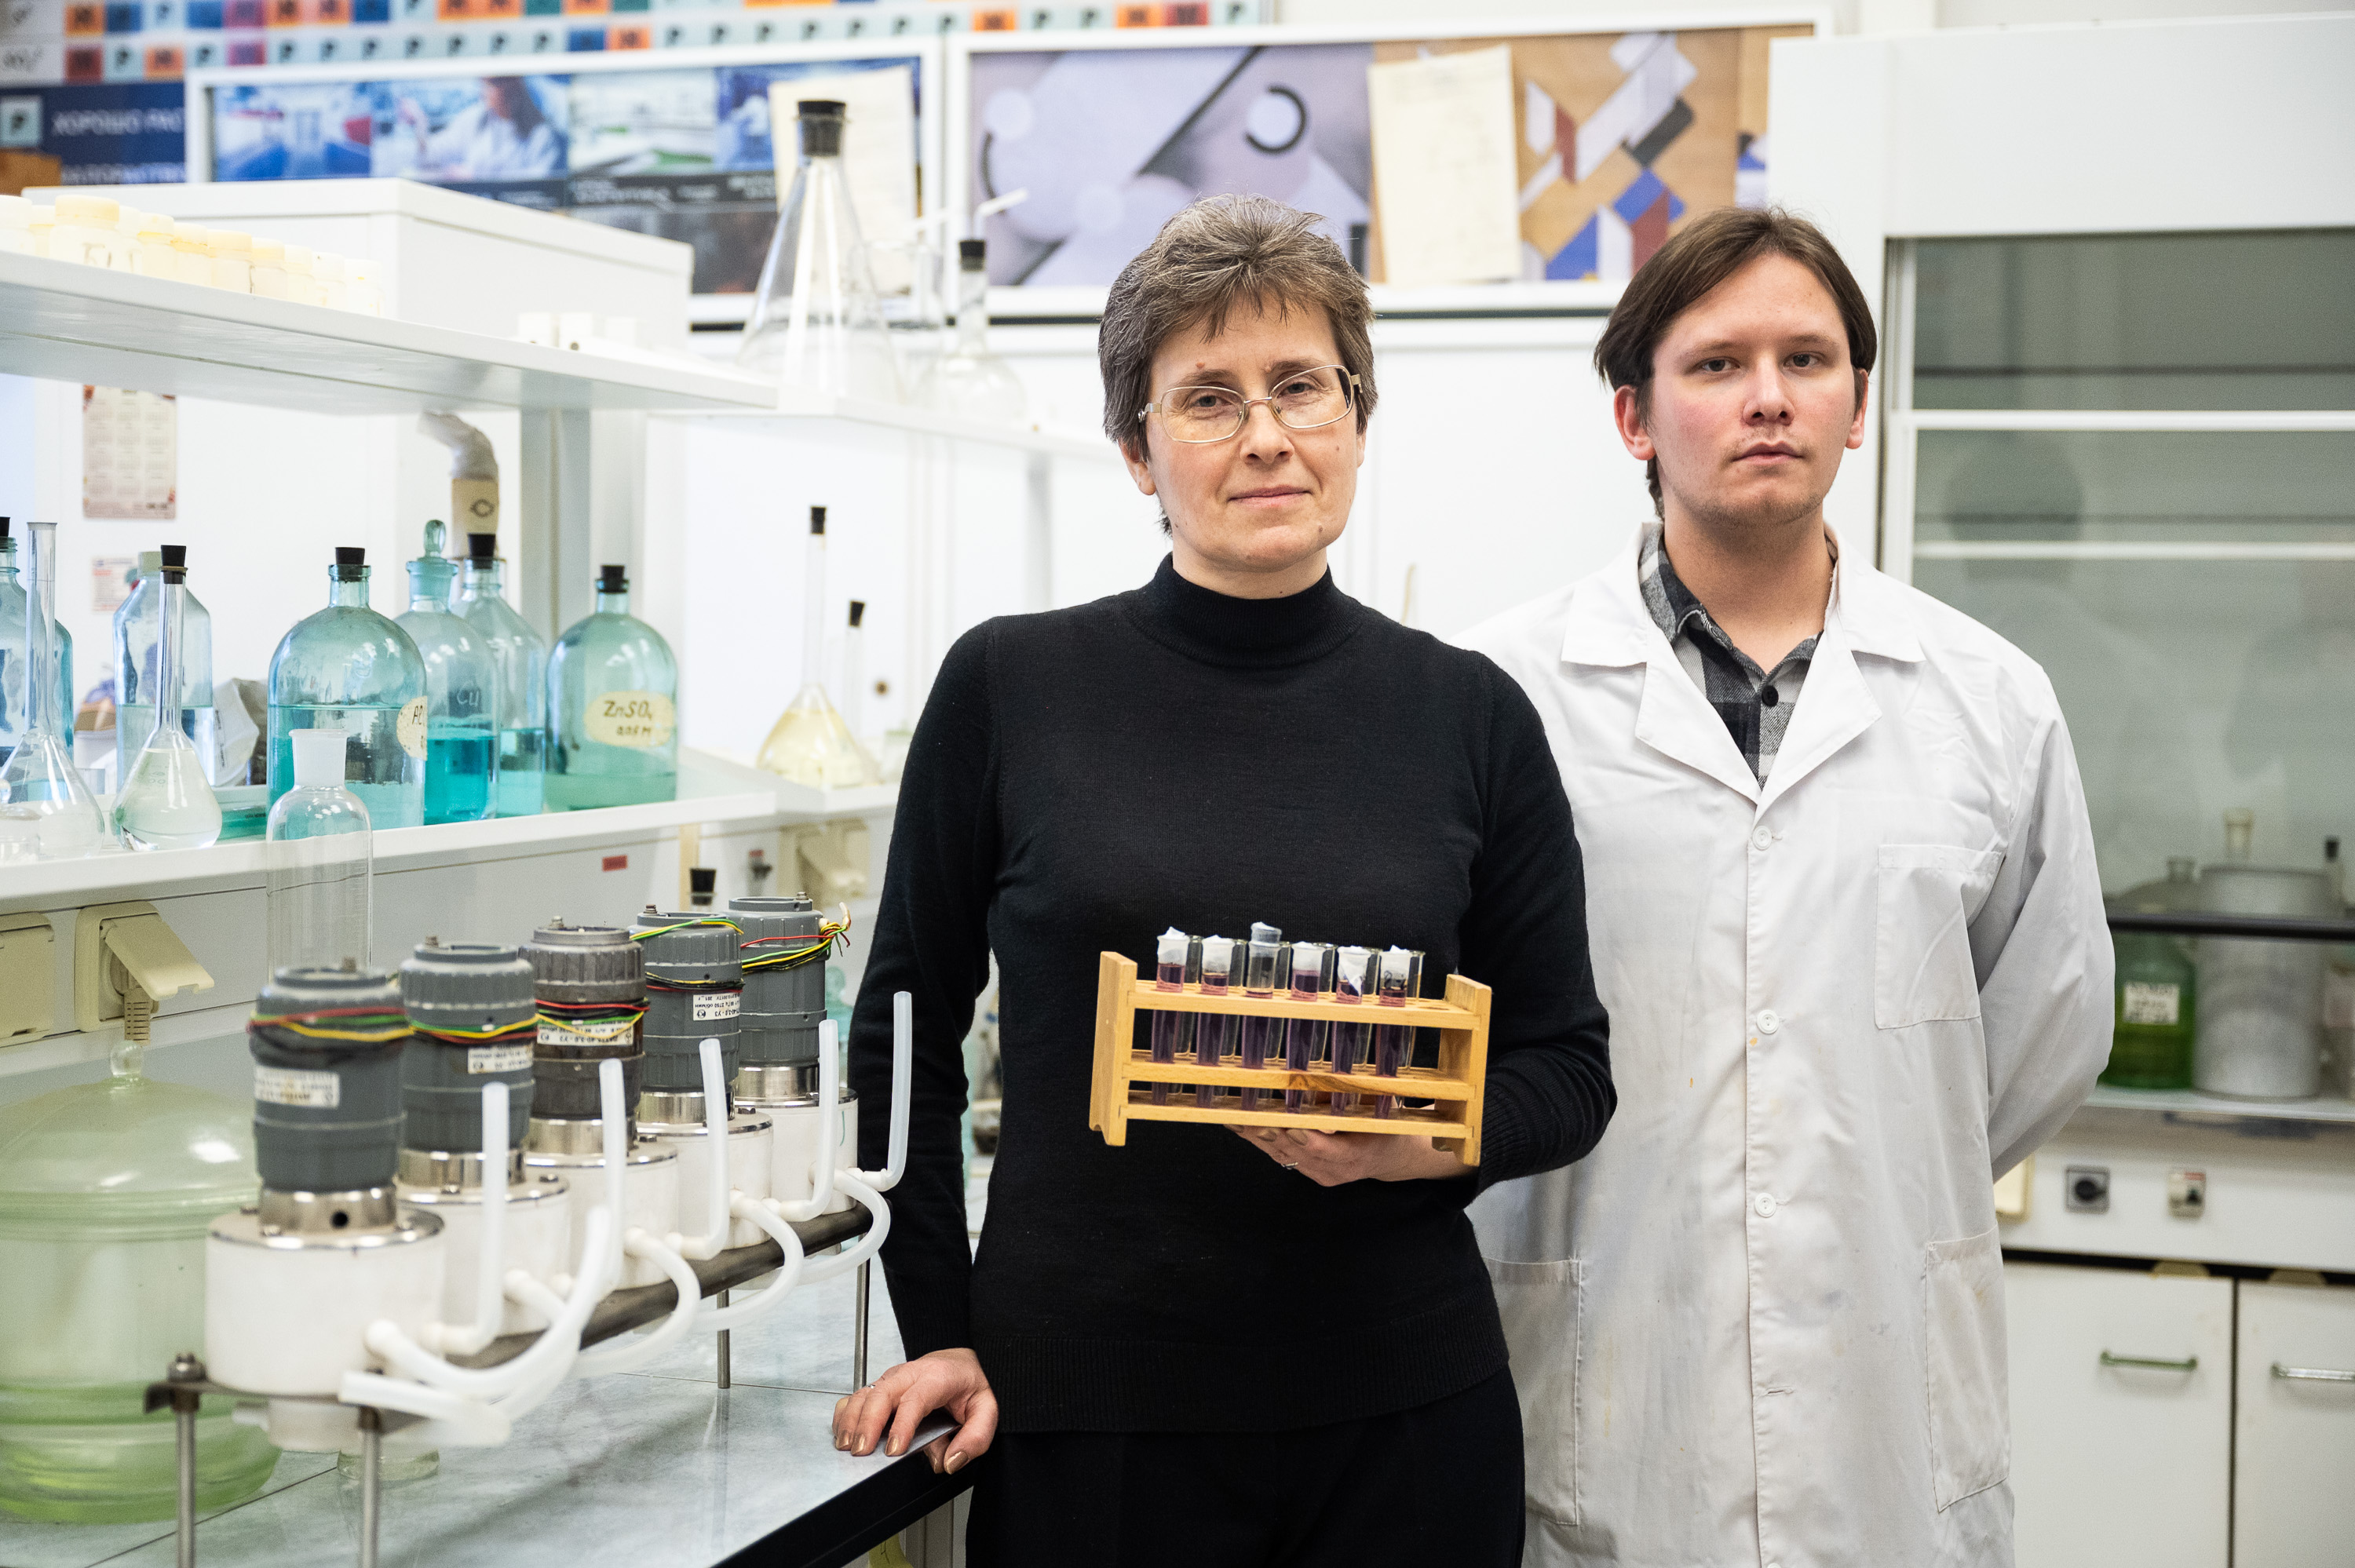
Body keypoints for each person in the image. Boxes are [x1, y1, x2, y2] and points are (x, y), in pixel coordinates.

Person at [833, 194, 1616, 1566]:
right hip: (1093, 1422)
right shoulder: (1012, 685)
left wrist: (1424, 1140)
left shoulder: (1470, 715)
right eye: (1207, 397)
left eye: (1302, 385)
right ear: (1137, 451)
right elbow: (903, 1039)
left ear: (1356, 420)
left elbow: (1567, 1065)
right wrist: (937, 1324)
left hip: (1404, 1423)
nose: (1265, 434)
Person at [1462, 206, 2112, 1566]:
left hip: (1886, 1396)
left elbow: (2049, 1022)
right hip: (1604, 1361)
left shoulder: (1989, 699)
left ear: (1857, 407)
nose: (1768, 397)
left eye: (1807, 360)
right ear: (1634, 417)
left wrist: (1867, 1147)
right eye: (1717, 364)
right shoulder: (1496, 694)